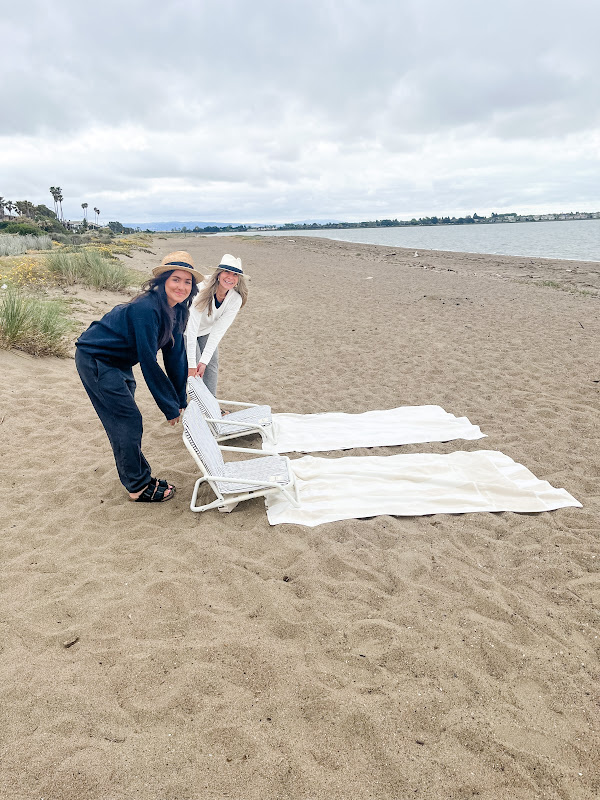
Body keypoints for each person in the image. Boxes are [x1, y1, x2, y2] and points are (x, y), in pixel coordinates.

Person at [75, 251, 204, 502]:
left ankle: (139, 476)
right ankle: (138, 486)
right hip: (96, 359)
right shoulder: (146, 308)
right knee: (127, 421)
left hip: (120, 361)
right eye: (176, 279)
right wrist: (168, 407)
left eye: (188, 282)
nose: (182, 286)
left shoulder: (178, 310)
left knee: (125, 421)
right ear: (163, 280)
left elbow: (175, 355)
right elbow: (148, 360)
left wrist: (180, 400)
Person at [185, 253, 248, 396]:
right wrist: (193, 365)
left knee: (211, 363)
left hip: (206, 330)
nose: (230, 277)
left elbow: (218, 331)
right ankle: (192, 403)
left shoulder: (235, 299)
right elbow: (192, 326)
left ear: (238, 280)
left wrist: (204, 361)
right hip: (185, 329)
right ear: (219, 274)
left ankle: (210, 403)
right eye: (227, 272)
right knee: (192, 366)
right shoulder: (201, 289)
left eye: (235, 275)